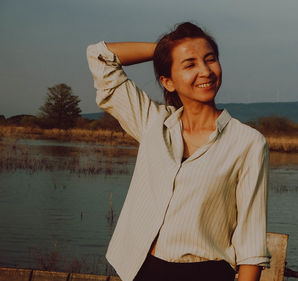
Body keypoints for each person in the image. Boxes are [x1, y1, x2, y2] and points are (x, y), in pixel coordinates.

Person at [86, 22, 271, 281]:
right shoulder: (153, 123)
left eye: (210, 59)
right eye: (190, 64)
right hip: (141, 269)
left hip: (206, 272)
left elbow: (251, 241)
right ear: (168, 81)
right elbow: (100, 56)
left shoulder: (248, 142)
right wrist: (167, 50)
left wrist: (181, 53)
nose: (205, 71)